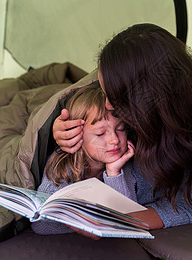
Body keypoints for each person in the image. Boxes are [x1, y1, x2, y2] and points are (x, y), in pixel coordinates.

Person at [52, 23, 192, 233]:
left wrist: (111, 222)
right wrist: (60, 130)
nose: (108, 105)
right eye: (104, 91)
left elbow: (188, 206)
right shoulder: (117, 90)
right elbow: (81, 111)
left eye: (116, 98)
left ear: (148, 102)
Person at [32, 83, 136, 235]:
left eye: (120, 129)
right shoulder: (61, 167)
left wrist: (114, 173)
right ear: (76, 136)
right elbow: (40, 224)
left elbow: (130, 217)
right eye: (100, 134)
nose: (114, 139)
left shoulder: (124, 165)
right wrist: (84, 223)